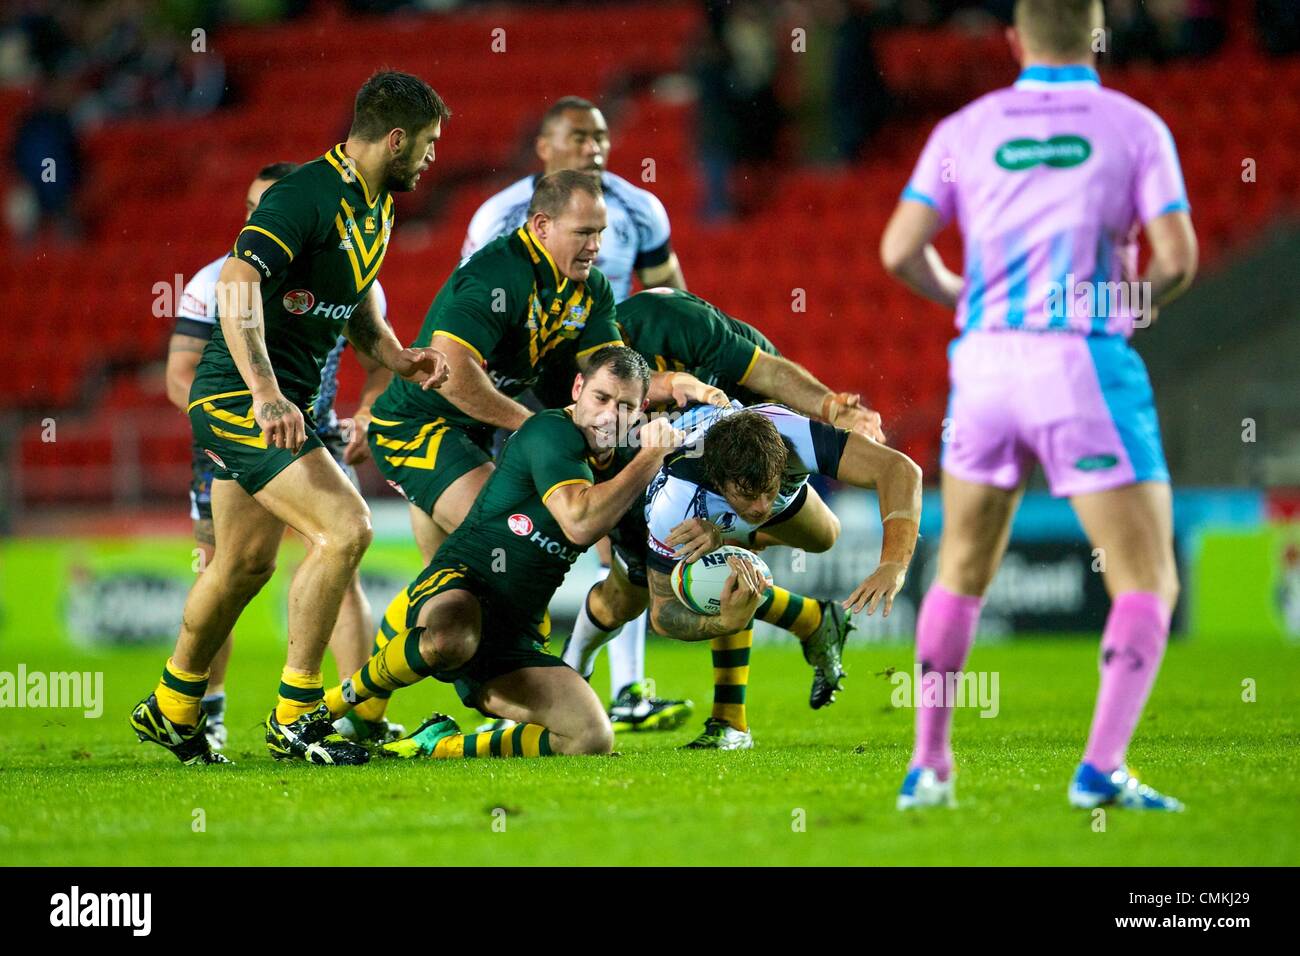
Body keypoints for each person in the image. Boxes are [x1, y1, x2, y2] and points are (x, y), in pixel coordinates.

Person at [880, 0, 1197, 810]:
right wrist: (1118, 306)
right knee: (1145, 581)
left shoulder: (965, 129)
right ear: (1098, 37)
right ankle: (1099, 771)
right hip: (1079, 363)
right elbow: (1179, 259)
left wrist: (963, 297)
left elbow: (898, 250)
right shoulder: (1135, 127)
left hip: (983, 367)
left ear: (1014, 40)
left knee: (960, 572)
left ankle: (929, 766)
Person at [130, 70, 452, 766]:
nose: (430, 158)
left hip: (283, 405)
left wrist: (394, 356)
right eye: (425, 144)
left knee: (243, 564)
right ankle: (296, 714)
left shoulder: (378, 207)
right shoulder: (304, 194)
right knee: (346, 529)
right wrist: (267, 391)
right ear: (394, 139)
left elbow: (357, 298)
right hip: (243, 400)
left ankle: (174, 702)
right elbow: (237, 283)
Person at [323, 347, 685, 759]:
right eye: (601, 398)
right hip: (463, 586)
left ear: (641, 412)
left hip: (515, 631)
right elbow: (580, 522)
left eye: (625, 406)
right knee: (450, 639)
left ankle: (436, 747)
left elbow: (644, 569)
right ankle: (324, 709)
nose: (609, 416)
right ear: (578, 388)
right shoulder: (552, 431)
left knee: (590, 736)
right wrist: (651, 457)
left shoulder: (622, 462)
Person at [461, 96, 688, 727]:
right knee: (521, 529)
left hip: (607, 380)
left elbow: (668, 292)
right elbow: (471, 306)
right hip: (524, 385)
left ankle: (630, 688)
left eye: (602, 136)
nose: (594, 148)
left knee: (626, 516)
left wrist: (657, 379)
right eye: (578, 136)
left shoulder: (640, 208)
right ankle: (514, 671)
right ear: (544, 146)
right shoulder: (501, 215)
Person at [561, 287, 888, 716]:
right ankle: (809, 620)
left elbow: (766, 370)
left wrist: (833, 408)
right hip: (647, 462)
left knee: (735, 552)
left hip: (726, 430)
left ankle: (729, 718)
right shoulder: (567, 368)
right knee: (625, 593)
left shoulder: (671, 320)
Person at [163, 161, 402, 749]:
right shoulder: (216, 278)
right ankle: (253, 709)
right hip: (243, 428)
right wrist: (248, 418)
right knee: (304, 543)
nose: (260, 221)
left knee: (271, 565)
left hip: (309, 429)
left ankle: (356, 710)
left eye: (271, 209)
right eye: (252, 209)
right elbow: (181, 376)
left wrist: (369, 410)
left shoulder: (342, 269)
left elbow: (375, 364)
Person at [643, 404, 923, 749]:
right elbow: (662, 614)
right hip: (654, 513)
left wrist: (893, 564)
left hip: (732, 488)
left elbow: (900, 469)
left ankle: (814, 620)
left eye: (769, 490)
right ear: (720, 482)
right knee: (718, 575)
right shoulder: (676, 503)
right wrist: (723, 623)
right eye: (748, 495)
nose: (761, 507)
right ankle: (730, 723)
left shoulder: (793, 436)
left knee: (824, 536)